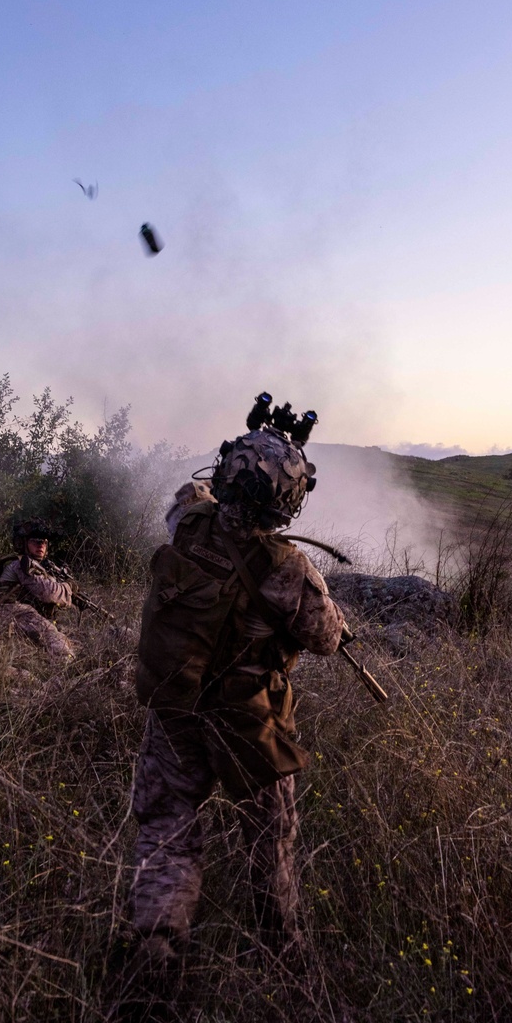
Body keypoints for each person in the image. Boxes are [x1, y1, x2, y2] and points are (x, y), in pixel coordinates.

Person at [129, 418, 344, 975]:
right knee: (271, 838)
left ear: (226, 474)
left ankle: (156, 950)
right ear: (288, 504)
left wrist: (250, 451)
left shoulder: (187, 524)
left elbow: (189, 494)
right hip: (248, 723)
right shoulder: (289, 569)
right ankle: (279, 952)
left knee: (166, 830)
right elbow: (325, 637)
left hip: (176, 707)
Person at [0, 519, 75, 662]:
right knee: (55, 640)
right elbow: (47, 593)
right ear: (23, 543)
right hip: (8, 611)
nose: (40, 546)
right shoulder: (21, 564)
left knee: (66, 636)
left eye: (43, 542)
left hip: (18, 613)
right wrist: (69, 588)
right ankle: (66, 664)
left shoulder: (39, 566)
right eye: (35, 542)